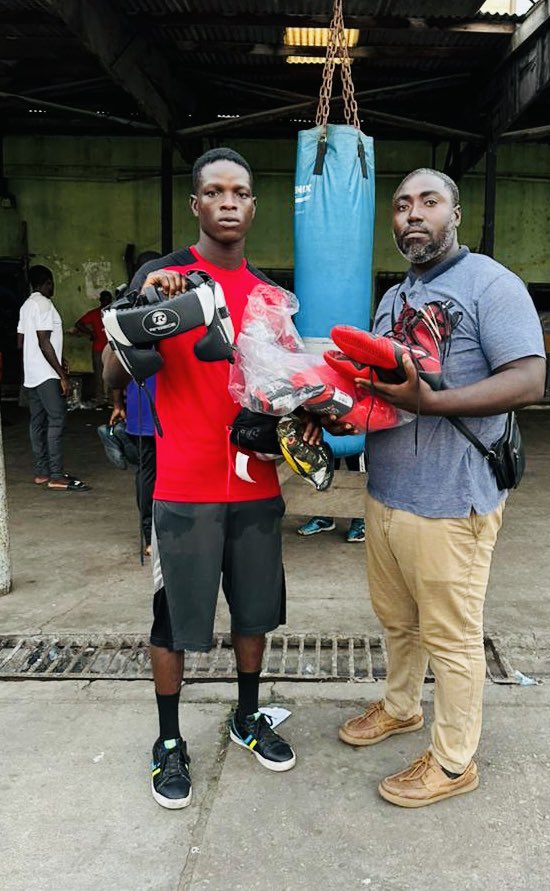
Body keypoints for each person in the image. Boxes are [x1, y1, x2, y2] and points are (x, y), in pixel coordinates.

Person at [104, 147, 318, 810]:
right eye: (215, 191)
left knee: (254, 613)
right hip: (184, 485)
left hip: (255, 484)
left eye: (241, 192)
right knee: (173, 621)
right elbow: (115, 373)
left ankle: (246, 717)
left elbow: (286, 388)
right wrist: (142, 308)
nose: (229, 202)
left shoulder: (268, 298)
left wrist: (306, 417)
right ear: (196, 204)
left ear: (254, 206)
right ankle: (169, 740)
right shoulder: (164, 279)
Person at [335, 168, 546, 808]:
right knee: (397, 620)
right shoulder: (393, 297)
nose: (413, 214)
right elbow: (385, 392)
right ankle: (402, 707)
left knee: (452, 638)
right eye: (402, 206)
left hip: (454, 500)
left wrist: (433, 403)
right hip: (389, 492)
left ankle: (454, 763)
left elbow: (530, 378)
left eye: (429, 202)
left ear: (455, 213)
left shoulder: (491, 283)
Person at [17, 265, 89, 491]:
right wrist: (61, 375)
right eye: (51, 283)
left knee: (37, 422)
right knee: (57, 419)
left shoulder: (27, 305)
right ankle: (56, 475)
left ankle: (42, 472)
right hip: (47, 375)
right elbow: (44, 341)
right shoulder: (45, 304)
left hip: (32, 374)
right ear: (47, 282)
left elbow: (21, 343)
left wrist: (59, 358)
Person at [109, 377, 157, 557]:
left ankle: (150, 538)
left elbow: (114, 370)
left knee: (146, 471)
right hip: (172, 405)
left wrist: (117, 404)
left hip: (140, 405)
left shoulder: (127, 346)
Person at [296, 455, 365, 542]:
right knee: (326, 466)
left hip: (357, 443)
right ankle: (325, 517)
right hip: (331, 441)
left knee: (358, 467)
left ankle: (361, 520)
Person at [73, 290, 113, 405]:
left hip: (111, 349)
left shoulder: (114, 312)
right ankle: (101, 399)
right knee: (99, 376)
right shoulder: (94, 313)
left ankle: (111, 399)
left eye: (108, 299)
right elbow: (79, 324)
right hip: (99, 349)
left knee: (112, 375)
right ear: (101, 300)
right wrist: (91, 333)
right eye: (104, 299)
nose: (106, 302)